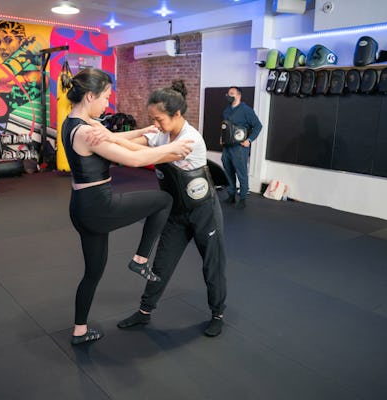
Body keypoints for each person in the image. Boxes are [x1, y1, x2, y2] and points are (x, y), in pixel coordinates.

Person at [62, 67, 194, 345]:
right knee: (164, 200)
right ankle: (140, 259)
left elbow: (115, 139)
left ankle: (79, 331)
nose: (107, 103)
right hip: (99, 206)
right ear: (89, 96)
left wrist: (145, 130)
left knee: (93, 272)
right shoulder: (87, 132)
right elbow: (132, 160)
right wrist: (171, 150)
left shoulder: (75, 122)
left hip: (81, 207)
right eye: (106, 97)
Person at [114, 80, 228, 337]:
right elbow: (133, 142)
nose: (155, 124)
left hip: (204, 211)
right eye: (151, 119)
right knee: (161, 265)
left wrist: (115, 142)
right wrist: (104, 136)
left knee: (212, 264)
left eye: (159, 119)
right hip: (176, 212)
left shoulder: (190, 140)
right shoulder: (161, 133)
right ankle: (144, 312)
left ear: (177, 114)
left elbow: (145, 155)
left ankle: (217, 313)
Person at [220, 86, 262, 209]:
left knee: (241, 173)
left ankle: (242, 198)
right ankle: (231, 195)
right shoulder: (226, 110)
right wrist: (221, 137)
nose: (229, 95)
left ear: (238, 95)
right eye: (228, 93)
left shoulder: (246, 110)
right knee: (228, 171)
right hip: (227, 146)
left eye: (232, 93)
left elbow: (258, 126)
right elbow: (224, 126)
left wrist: (249, 140)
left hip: (239, 147)